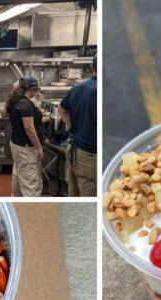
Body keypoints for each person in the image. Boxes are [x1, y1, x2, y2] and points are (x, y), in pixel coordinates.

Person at [58, 55, 97, 197]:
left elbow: (61, 109)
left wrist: (74, 127)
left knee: (74, 193)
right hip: (91, 156)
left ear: (92, 68)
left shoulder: (78, 88)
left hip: (74, 150)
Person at [6, 76, 47, 197]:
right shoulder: (25, 104)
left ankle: (17, 200)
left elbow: (28, 123)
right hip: (26, 148)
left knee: (19, 176)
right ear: (33, 89)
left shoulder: (17, 101)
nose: (37, 93)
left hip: (17, 144)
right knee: (31, 183)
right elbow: (29, 128)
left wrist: (42, 119)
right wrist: (38, 147)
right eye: (36, 90)